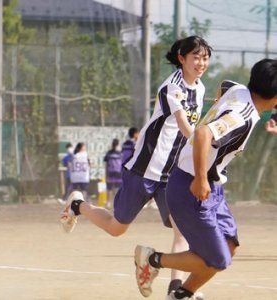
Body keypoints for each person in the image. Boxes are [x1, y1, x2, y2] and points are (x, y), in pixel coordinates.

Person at [60, 35, 212, 299]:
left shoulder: (200, 89)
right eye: (196, 57)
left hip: (173, 175)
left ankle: (177, 291)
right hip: (144, 169)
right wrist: (206, 150)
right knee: (117, 228)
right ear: (182, 58)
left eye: (206, 58)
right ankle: (77, 205)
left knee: (183, 230)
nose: (201, 63)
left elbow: (192, 131)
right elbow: (188, 129)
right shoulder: (172, 87)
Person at [134, 58, 277, 300]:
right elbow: (202, 134)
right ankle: (151, 259)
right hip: (191, 186)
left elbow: (224, 85)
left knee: (230, 245)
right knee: (218, 260)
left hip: (212, 184)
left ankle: (182, 295)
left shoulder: (239, 90)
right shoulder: (243, 117)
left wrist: (219, 107)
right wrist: (200, 179)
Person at [104, 138, 123, 208]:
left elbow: (106, 165)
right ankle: (117, 203)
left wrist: (106, 174)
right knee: (117, 189)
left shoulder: (108, 153)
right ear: (118, 145)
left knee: (109, 189)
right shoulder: (120, 154)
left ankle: (108, 203)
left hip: (110, 173)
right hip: (118, 173)